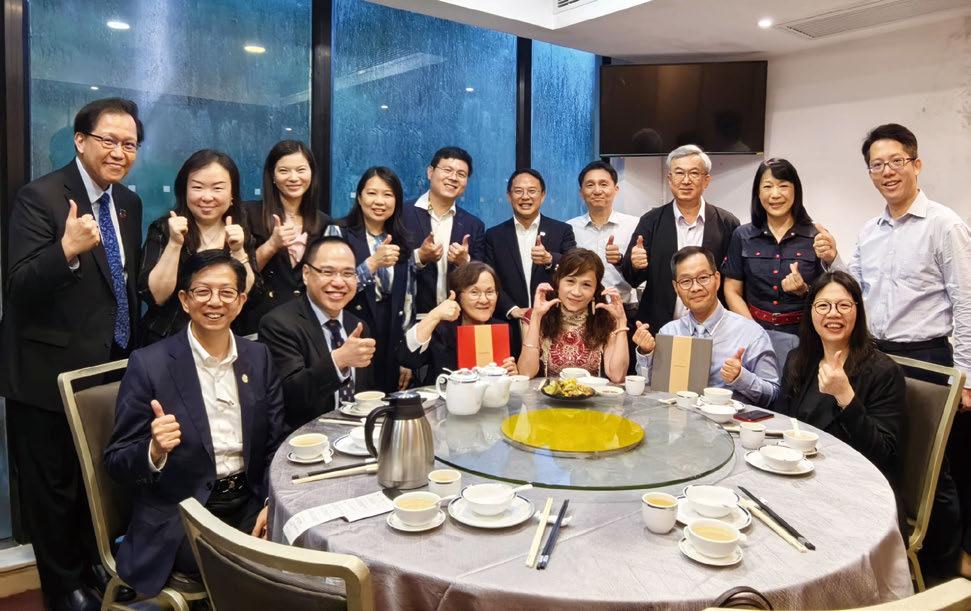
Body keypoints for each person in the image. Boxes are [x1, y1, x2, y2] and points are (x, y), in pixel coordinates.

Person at [0, 98, 143, 610]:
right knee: (52, 490)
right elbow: (18, 285)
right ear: (80, 140)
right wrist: (65, 251)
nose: (119, 152)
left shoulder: (128, 203)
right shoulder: (39, 197)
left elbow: (121, 286)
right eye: (109, 140)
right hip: (45, 376)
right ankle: (64, 591)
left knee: (93, 484)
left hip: (105, 372)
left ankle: (93, 569)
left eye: (129, 144)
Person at [817, 123, 971, 577]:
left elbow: (966, 301)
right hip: (878, 357)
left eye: (895, 162)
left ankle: (943, 568)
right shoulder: (872, 229)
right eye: (877, 165)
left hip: (927, 359)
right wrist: (832, 260)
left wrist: (966, 375)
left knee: (931, 468)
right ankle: (890, 551)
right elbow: (858, 292)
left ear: (916, 164)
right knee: (884, 454)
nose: (886, 172)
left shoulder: (944, 225)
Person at [104, 251, 286, 597]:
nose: (215, 301)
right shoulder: (150, 364)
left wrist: (269, 504)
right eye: (203, 291)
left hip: (248, 503)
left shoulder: (258, 357)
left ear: (241, 301)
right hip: (183, 516)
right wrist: (153, 450)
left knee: (305, 548)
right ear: (185, 300)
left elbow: (276, 443)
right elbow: (116, 459)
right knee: (255, 573)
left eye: (226, 292)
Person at [773, 271, 903, 478]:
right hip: (796, 469)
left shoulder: (884, 371)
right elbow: (781, 424)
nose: (833, 313)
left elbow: (883, 455)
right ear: (810, 311)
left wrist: (845, 396)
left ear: (858, 311)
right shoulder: (797, 359)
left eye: (844, 305)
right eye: (823, 305)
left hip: (853, 478)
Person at [633, 247, 779, 407]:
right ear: (676, 288)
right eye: (686, 281)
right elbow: (650, 388)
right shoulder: (669, 332)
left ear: (717, 279)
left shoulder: (751, 333)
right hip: (674, 417)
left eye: (703, 278)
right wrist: (646, 353)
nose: (695, 287)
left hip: (727, 421)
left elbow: (772, 394)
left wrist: (741, 377)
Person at [139, 150, 257, 344]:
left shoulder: (240, 230)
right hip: (166, 339)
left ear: (232, 195)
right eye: (197, 187)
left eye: (217, 188)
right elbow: (156, 296)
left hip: (222, 340)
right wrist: (175, 243)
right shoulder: (163, 229)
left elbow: (247, 293)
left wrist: (238, 250)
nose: (207, 197)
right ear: (184, 191)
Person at [619, 144, 740, 334]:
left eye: (694, 173)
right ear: (670, 179)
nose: (686, 180)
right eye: (679, 173)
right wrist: (635, 264)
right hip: (661, 327)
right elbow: (631, 279)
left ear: (706, 180)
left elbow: (735, 279)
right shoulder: (651, 221)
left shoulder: (727, 223)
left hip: (714, 329)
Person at [259, 236, 377, 428]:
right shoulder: (278, 324)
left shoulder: (357, 325)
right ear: (306, 274)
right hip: (307, 437)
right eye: (327, 272)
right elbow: (290, 396)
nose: (338, 282)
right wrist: (339, 360)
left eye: (348, 273)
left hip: (355, 433)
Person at [326, 166, 415, 392]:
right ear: (359, 197)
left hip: (391, 335)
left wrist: (407, 356)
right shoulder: (339, 232)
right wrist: (372, 263)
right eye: (372, 193)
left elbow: (408, 300)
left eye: (388, 194)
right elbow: (330, 289)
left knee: (389, 400)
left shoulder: (402, 240)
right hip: (351, 329)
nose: (379, 201)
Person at [723, 158, 825, 335]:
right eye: (767, 186)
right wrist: (753, 331)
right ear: (758, 192)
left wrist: (804, 290)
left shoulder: (816, 236)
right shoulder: (742, 235)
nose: (775, 194)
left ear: (796, 190)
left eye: (783, 186)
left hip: (804, 334)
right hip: (754, 331)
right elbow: (732, 290)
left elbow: (829, 295)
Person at [485, 168, 576, 353]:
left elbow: (575, 266)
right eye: (518, 191)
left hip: (554, 322)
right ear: (509, 196)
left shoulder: (562, 230)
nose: (525, 196)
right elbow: (490, 280)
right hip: (509, 323)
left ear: (543, 195)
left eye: (532, 191)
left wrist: (550, 259)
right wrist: (512, 309)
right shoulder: (494, 235)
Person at [242, 140, 330, 328]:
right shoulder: (248, 214)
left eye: (301, 170)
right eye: (284, 171)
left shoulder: (324, 223)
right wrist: (271, 245)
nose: (293, 177)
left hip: (306, 326)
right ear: (272, 175)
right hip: (258, 324)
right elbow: (236, 275)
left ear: (311, 173)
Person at [518, 249, 629, 383]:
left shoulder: (606, 318)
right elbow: (526, 373)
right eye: (570, 281)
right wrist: (536, 316)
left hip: (591, 395)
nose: (576, 292)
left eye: (586, 285)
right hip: (548, 394)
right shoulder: (536, 316)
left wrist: (621, 322)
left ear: (595, 290)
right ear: (558, 282)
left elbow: (617, 376)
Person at [399, 261, 517, 382]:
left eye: (490, 292)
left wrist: (512, 374)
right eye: (474, 292)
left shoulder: (503, 329)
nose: (484, 300)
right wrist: (434, 315)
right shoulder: (441, 329)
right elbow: (408, 359)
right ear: (458, 295)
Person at [402, 146, 486, 315]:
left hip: (456, 318)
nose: (453, 178)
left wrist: (465, 262)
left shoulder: (474, 225)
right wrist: (419, 257)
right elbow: (387, 267)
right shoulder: (402, 214)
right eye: (447, 170)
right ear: (430, 172)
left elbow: (483, 277)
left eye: (461, 174)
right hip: (412, 317)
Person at [567, 160, 639, 311]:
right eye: (590, 185)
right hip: (582, 309)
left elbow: (641, 272)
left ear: (616, 189)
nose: (597, 190)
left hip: (624, 308)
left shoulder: (634, 225)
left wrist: (620, 261)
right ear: (581, 192)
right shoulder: (569, 228)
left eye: (603, 184)